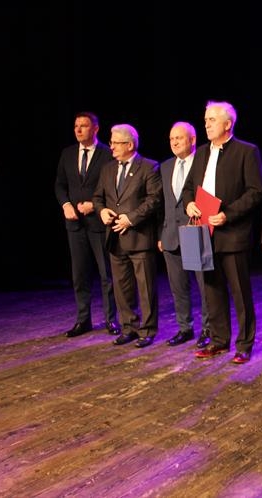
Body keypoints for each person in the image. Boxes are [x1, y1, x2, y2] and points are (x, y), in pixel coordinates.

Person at [183, 101, 262, 364]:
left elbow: (256, 192)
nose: (206, 124)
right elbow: (188, 188)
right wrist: (189, 203)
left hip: (232, 233)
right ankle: (219, 340)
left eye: (212, 120)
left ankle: (244, 344)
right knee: (212, 290)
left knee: (240, 292)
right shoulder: (201, 153)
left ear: (228, 124)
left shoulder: (246, 151)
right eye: (205, 120)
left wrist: (227, 214)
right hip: (203, 233)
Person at [92, 124, 162, 348]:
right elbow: (97, 197)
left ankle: (147, 330)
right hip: (115, 237)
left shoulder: (149, 167)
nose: (111, 147)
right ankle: (128, 327)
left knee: (145, 287)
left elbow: (154, 199)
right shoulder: (107, 169)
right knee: (122, 287)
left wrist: (131, 218)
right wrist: (102, 211)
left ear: (130, 145)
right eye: (111, 142)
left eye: (115, 143)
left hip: (139, 236)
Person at [55, 112, 119, 337]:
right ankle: (83, 320)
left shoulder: (107, 154)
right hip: (75, 225)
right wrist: (66, 205)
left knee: (106, 274)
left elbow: (114, 187)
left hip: (98, 223)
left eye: (83, 125)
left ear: (95, 129)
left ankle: (111, 319)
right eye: (76, 126)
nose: (79, 130)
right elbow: (60, 185)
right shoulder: (67, 154)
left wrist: (95, 205)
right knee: (80, 274)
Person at [158, 121, 211, 347]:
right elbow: (163, 203)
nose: (174, 142)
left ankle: (208, 329)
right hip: (171, 234)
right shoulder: (165, 166)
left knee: (205, 286)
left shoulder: (204, 162)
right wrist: (161, 234)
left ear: (192, 139)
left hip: (195, 231)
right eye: (171, 139)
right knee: (178, 287)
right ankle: (184, 328)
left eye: (179, 138)